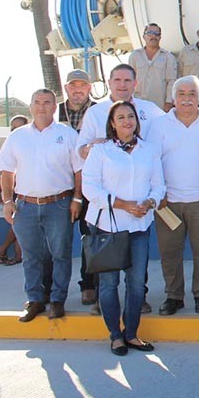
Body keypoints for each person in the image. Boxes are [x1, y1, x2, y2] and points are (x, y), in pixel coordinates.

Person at [77, 64, 165, 315]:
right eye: (117, 80)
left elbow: (174, 120)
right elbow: (81, 149)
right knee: (104, 256)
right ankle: (102, 299)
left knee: (137, 262)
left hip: (140, 204)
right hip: (107, 202)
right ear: (109, 82)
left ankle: (139, 297)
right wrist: (98, 149)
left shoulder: (149, 109)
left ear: (135, 84)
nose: (122, 85)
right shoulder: (95, 113)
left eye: (128, 80)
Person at [82, 100, 165, 356]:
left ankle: (131, 334)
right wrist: (123, 204)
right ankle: (115, 335)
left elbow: (158, 185)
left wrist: (150, 202)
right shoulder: (101, 151)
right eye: (121, 117)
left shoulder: (149, 150)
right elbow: (90, 187)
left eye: (131, 116)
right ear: (112, 123)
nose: (127, 121)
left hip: (139, 226)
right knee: (108, 284)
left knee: (137, 284)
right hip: (108, 227)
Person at [0, 89, 82, 322]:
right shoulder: (18, 136)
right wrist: (7, 201)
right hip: (25, 206)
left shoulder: (67, 134)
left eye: (47, 102)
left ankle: (57, 300)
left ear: (55, 107)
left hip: (59, 204)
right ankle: (35, 300)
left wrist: (77, 198)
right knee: (31, 256)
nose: (42, 107)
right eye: (37, 102)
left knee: (60, 255)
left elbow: (79, 170)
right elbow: (6, 171)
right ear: (31, 107)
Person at [146, 75, 199, 315]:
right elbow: (151, 161)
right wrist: (157, 193)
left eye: (192, 94)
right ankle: (174, 295)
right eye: (182, 94)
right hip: (168, 201)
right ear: (173, 97)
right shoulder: (158, 125)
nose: (187, 99)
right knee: (169, 251)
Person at [57, 69, 98, 306]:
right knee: (56, 244)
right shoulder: (53, 111)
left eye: (82, 85)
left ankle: (89, 284)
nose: (78, 89)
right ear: (66, 88)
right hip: (60, 186)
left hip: (89, 187)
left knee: (90, 238)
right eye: (73, 85)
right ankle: (52, 291)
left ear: (89, 88)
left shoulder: (99, 113)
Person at [0, 116, 29, 266]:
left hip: (28, 191)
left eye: (18, 127)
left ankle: (12, 254)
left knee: (19, 225)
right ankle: (8, 252)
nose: (14, 131)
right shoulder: (10, 144)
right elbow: (5, 171)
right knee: (17, 224)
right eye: (12, 128)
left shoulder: (31, 142)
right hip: (14, 191)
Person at [128, 23, 177, 111]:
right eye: (150, 33)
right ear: (144, 36)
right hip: (138, 103)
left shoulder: (168, 57)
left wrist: (169, 102)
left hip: (159, 106)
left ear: (160, 37)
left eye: (157, 34)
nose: (153, 36)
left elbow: (171, 81)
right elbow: (129, 79)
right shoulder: (135, 55)